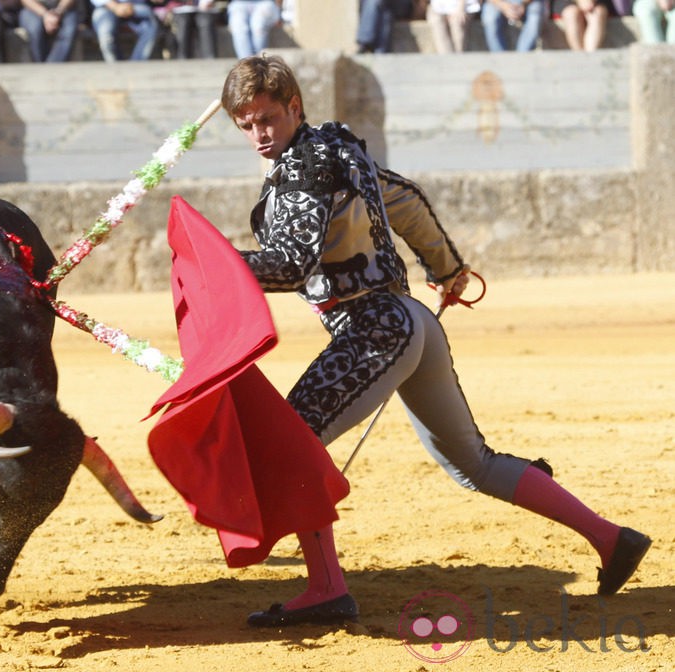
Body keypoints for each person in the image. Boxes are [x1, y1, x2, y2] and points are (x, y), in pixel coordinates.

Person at [218, 54, 651, 627]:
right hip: (411, 322)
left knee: (293, 441)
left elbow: (293, 264)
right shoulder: (343, 151)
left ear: (295, 106)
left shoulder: (302, 166)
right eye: (245, 125)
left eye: (267, 118)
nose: (258, 135)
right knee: (475, 462)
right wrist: (448, 269)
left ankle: (325, 588)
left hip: (374, 331)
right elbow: (408, 202)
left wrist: (217, 267)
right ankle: (611, 538)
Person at [89, 0, 161, 61]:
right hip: (107, 6)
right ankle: (114, 66)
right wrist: (115, 6)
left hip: (136, 6)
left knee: (151, 24)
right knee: (106, 34)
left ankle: (137, 64)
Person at [480, 0, 546, 51]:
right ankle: (501, 60)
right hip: (499, 2)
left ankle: (522, 58)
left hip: (528, 2)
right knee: (489, 16)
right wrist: (503, 5)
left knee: (536, 11)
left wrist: (522, 4)